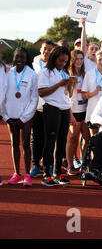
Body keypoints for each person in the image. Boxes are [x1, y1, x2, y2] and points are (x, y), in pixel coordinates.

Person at [38, 46, 75, 186]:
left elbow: (68, 95)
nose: (63, 63)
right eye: (61, 60)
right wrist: (59, 84)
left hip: (65, 108)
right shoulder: (45, 72)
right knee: (50, 140)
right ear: (54, 58)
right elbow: (41, 92)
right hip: (51, 108)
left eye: (65, 61)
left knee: (61, 142)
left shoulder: (64, 72)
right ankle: (46, 174)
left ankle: (58, 173)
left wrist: (70, 85)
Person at [2, 48, 38, 186]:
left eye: (22, 57)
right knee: (14, 144)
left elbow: (34, 98)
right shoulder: (7, 74)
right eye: (17, 57)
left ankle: (27, 175)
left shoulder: (32, 75)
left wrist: (24, 118)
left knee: (26, 144)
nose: (19, 59)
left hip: (25, 117)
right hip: (11, 116)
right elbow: (3, 96)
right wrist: (6, 116)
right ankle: (17, 173)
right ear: (13, 57)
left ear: (26, 58)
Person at [29, 40, 55, 178]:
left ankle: (48, 165)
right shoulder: (35, 62)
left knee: (49, 138)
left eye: (50, 49)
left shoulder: (54, 66)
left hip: (50, 106)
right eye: (45, 48)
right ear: (40, 49)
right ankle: (35, 165)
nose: (47, 51)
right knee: (35, 138)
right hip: (36, 106)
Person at [66, 49, 90, 176]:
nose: (79, 61)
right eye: (76, 59)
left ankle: (83, 163)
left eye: (81, 59)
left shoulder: (86, 73)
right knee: (73, 138)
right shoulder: (68, 74)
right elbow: (67, 96)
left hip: (85, 110)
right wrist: (70, 114)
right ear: (72, 60)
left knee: (87, 138)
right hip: (74, 110)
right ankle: (70, 165)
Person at [81, 50, 102, 136]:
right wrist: (93, 93)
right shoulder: (89, 74)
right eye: (99, 59)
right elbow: (83, 95)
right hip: (93, 111)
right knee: (93, 139)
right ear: (96, 60)